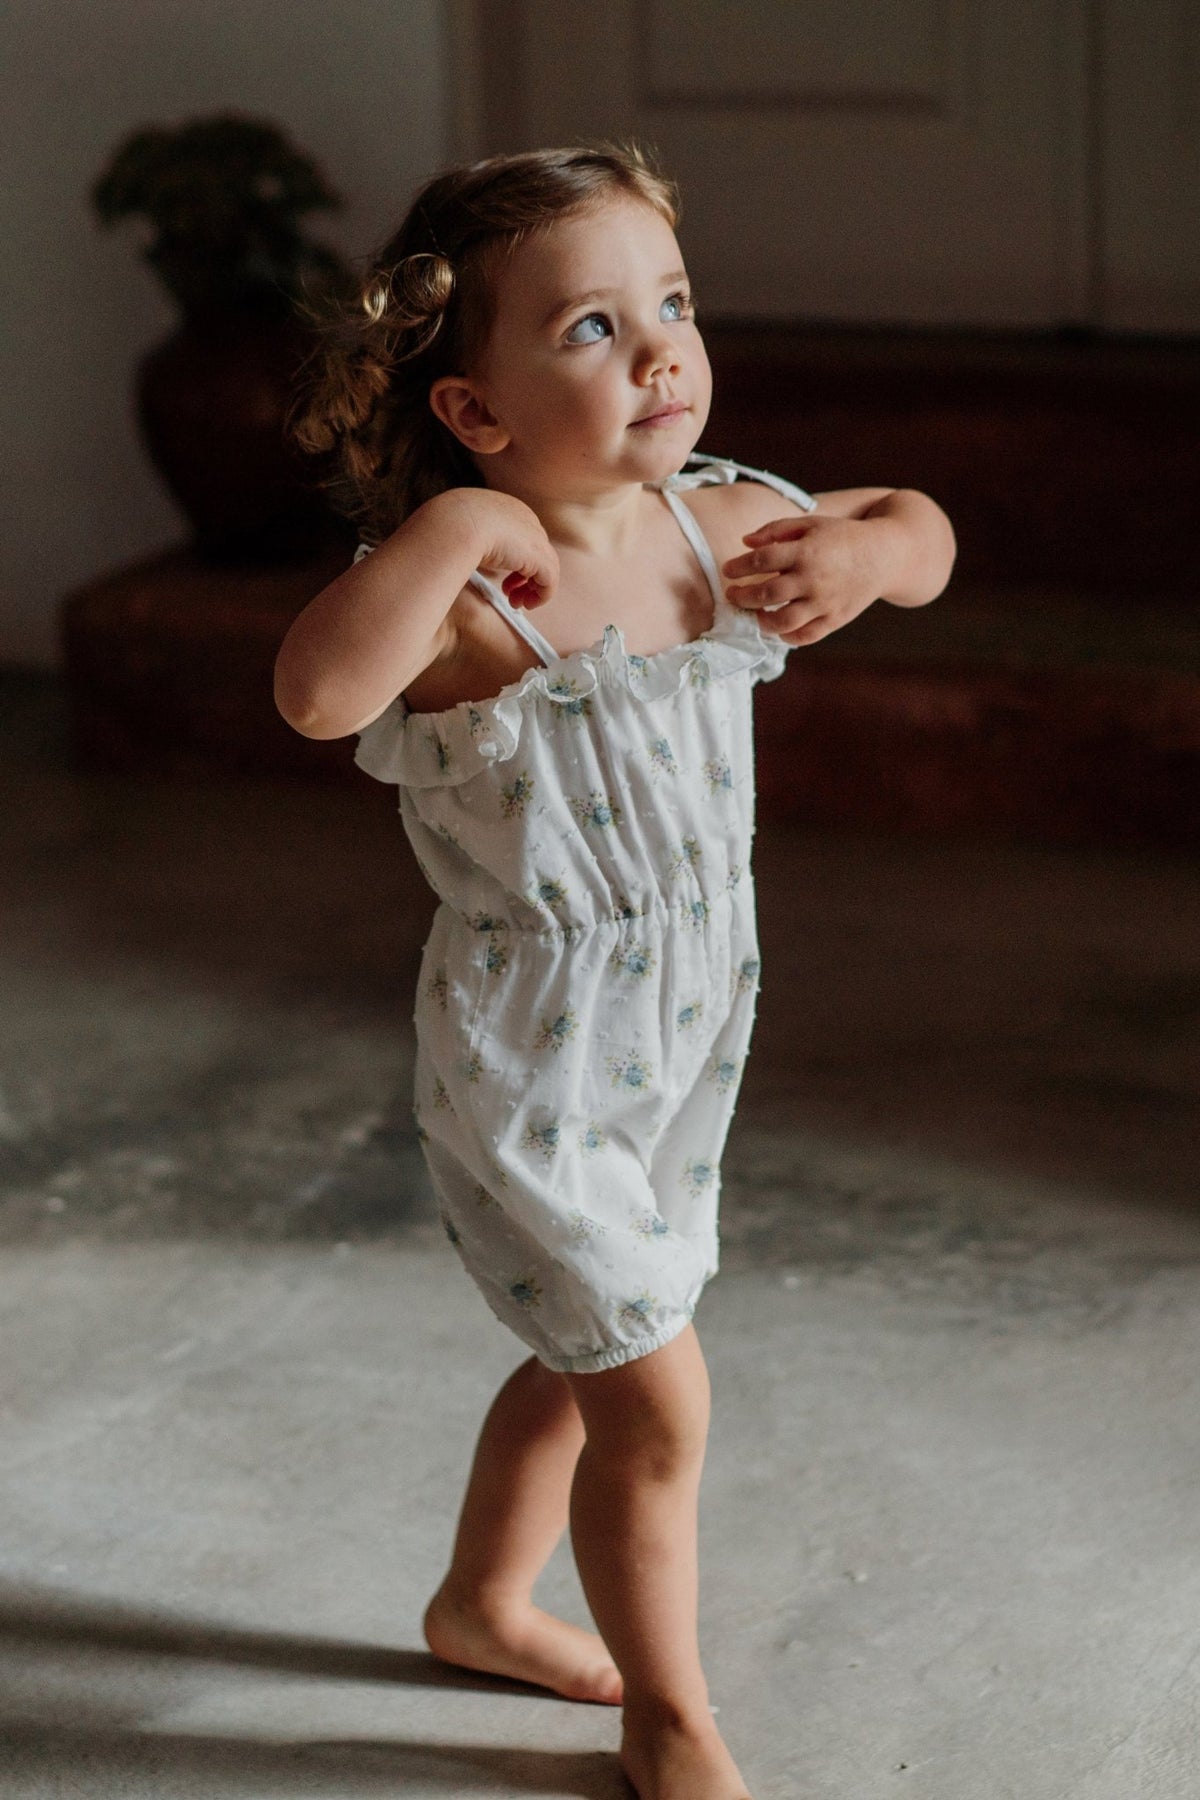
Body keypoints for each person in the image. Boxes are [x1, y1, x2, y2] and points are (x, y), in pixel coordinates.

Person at [276, 141, 956, 1800]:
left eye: (674, 305)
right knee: (657, 1401)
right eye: (592, 326)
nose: (661, 352)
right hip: (534, 1061)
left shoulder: (712, 529)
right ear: (473, 411)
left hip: (685, 1029)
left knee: (592, 1354)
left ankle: (480, 1605)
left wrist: (869, 562)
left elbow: (921, 528)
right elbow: (314, 693)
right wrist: (451, 531)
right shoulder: (470, 600)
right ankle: (672, 1715)